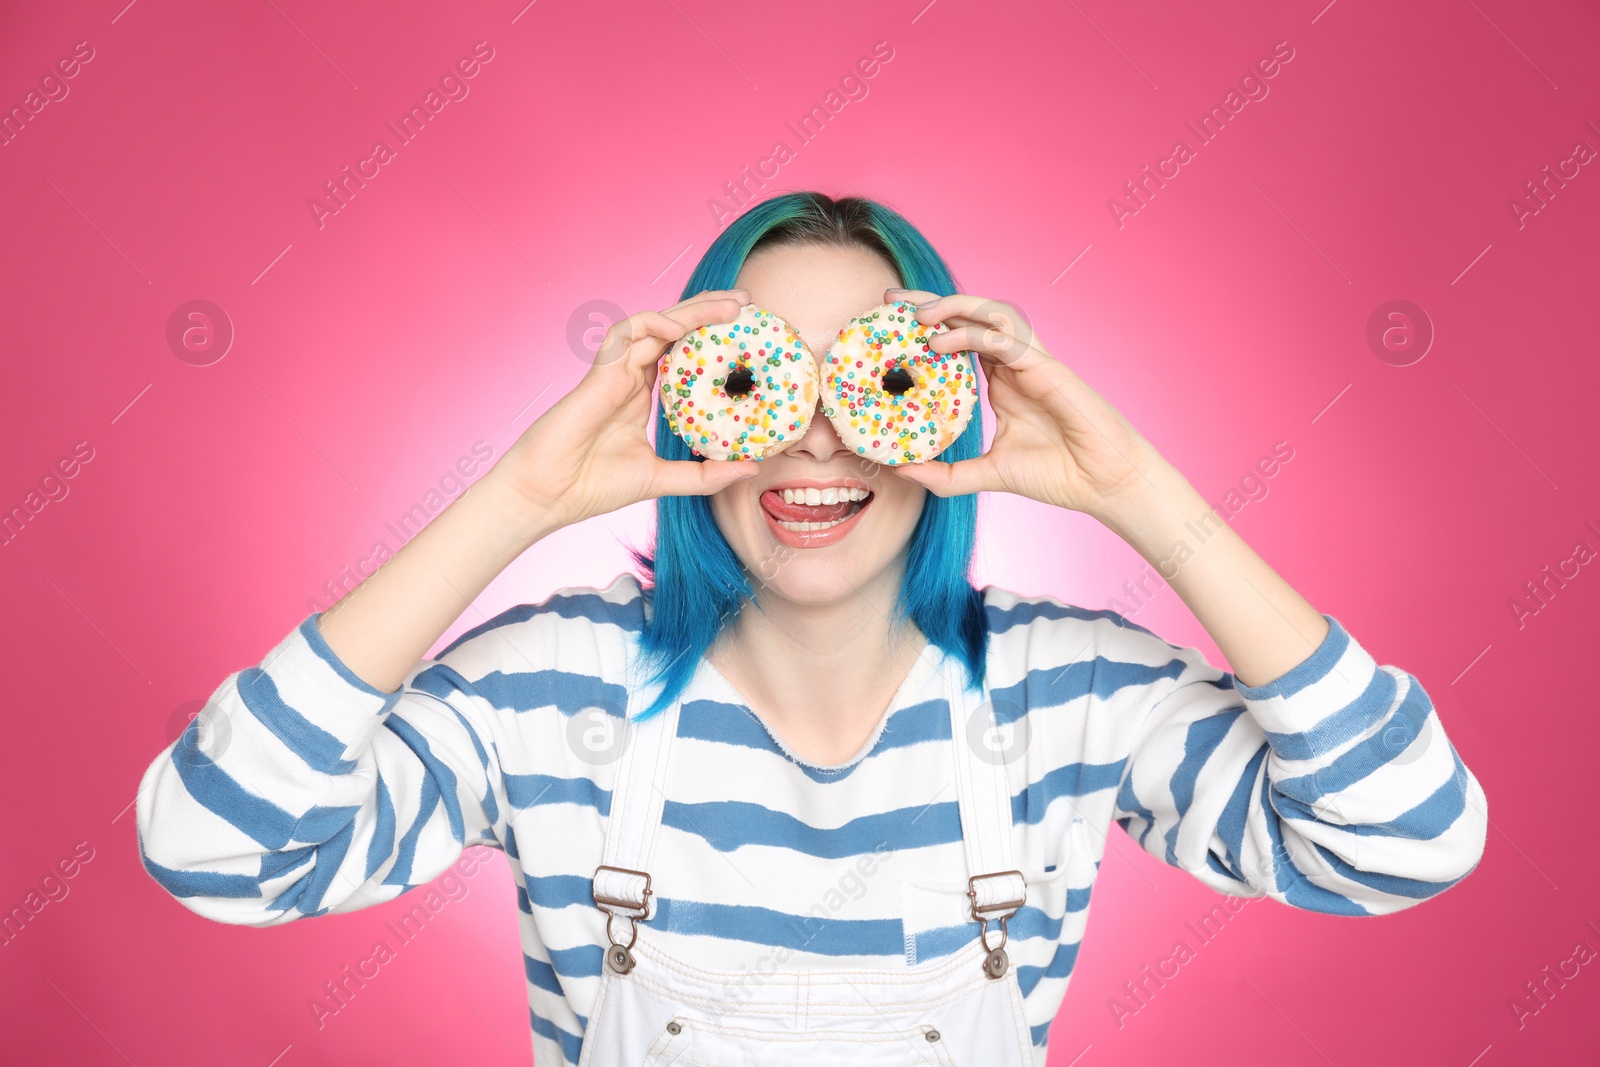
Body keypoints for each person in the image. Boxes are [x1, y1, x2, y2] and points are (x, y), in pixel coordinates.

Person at [136, 192, 1488, 1066]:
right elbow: (216, 849)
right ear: (690, 404)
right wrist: (514, 502)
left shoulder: (1066, 697)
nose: (817, 440)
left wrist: (1142, 492)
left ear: (953, 405)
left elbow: (1407, 843)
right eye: (759, 382)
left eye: (880, 380)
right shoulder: (551, 693)